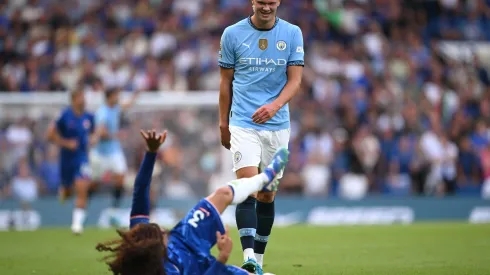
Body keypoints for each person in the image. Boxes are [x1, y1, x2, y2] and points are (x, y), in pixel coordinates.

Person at [96, 129, 289, 275]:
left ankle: (266, 176)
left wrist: (151, 153)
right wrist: (221, 257)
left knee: (222, 193)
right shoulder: (170, 271)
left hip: (184, 238)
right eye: (161, 234)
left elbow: (140, 191)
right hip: (202, 269)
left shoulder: (140, 239)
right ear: (157, 250)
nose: (164, 230)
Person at [218, 0, 304, 272]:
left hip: (277, 125)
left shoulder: (292, 33)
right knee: (246, 186)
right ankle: (249, 257)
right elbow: (225, 82)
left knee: (267, 194)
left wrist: (274, 106)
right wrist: (223, 124)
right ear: (252, 2)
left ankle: (259, 263)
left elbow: (295, 80)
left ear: (278, 2)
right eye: (261, 2)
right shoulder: (232, 33)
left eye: (271, 2)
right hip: (243, 122)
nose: (266, 7)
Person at [46, 89, 96, 234]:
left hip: (82, 158)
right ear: (74, 99)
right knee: (67, 191)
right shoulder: (64, 115)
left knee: (82, 186)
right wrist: (65, 143)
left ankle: (76, 224)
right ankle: (64, 191)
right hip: (66, 159)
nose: (84, 100)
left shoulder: (89, 116)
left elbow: (94, 133)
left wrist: (93, 139)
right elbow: (50, 135)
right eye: (81, 97)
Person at [90, 87, 140, 225]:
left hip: (114, 151)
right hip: (101, 153)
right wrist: (115, 135)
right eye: (116, 95)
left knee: (121, 177)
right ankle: (85, 203)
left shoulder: (115, 108)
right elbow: (101, 132)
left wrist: (135, 96)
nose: (118, 97)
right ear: (110, 97)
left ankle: (114, 210)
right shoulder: (102, 112)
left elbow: (125, 105)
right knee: (95, 183)